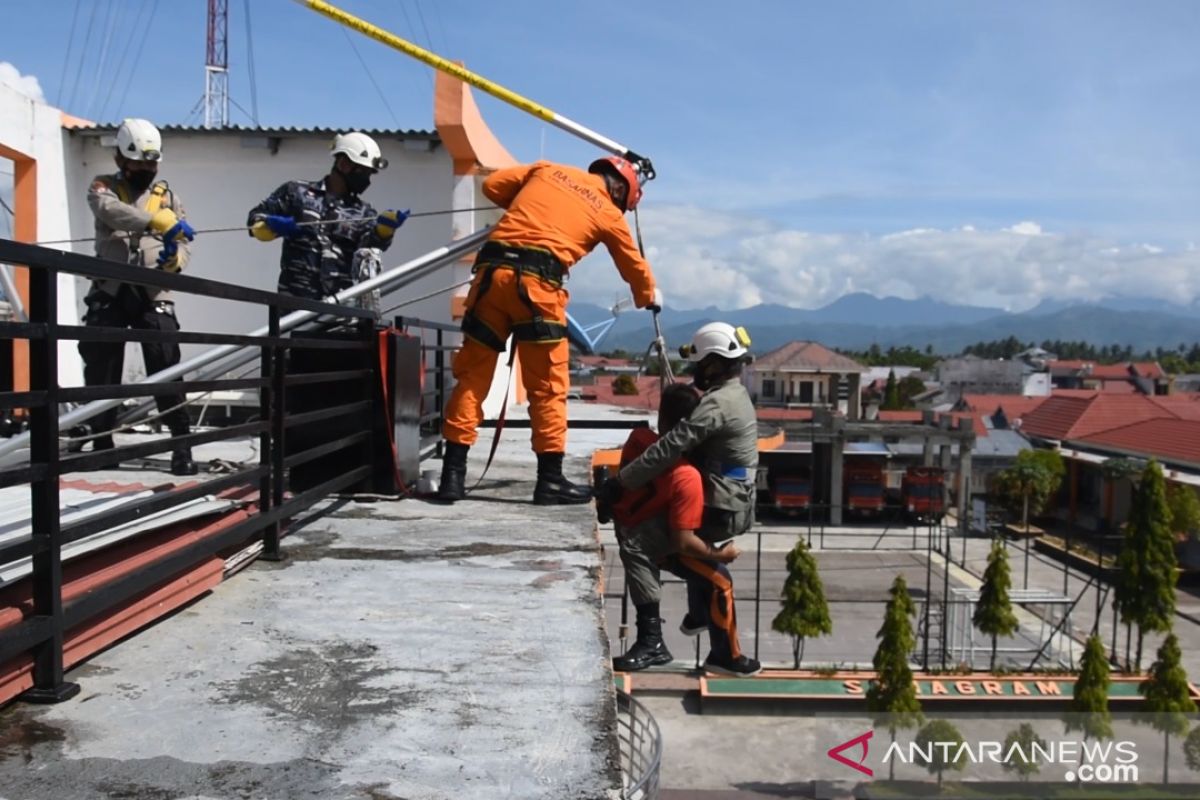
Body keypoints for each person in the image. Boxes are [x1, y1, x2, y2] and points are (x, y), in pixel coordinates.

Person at [437, 157, 662, 505]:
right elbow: (634, 267)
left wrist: (532, 207)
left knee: (472, 377)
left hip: (489, 279)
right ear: (619, 190)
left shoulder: (546, 169)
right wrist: (648, 297)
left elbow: (492, 186)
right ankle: (550, 481)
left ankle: (451, 478)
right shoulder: (608, 212)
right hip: (537, 288)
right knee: (547, 388)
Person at [605, 383, 761, 676]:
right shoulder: (687, 477)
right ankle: (724, 655)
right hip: (654, 547)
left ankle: (697, 617)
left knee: (703, 571)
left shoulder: (638, 440)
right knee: (720, 580)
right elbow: (684, 541)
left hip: (632, 527)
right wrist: (720, 553)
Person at [77, 118, 198, 475]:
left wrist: (174, 258)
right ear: (121, 160)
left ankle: (181, 445)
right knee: (102, 366)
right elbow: (108, 210)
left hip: (153, 290)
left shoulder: (169, 197)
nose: (147, 169)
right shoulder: (103, 187)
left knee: (166, 364)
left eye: (152, 163)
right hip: (109, 289)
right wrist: (154, 223)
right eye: (140, 163)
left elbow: (183, 242)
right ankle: (102, 443)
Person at [608, 321, 759, 543]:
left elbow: (670, 447)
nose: (695, 370)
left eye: (699, 364)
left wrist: (620, 483)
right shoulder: (738, 394)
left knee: (634, 541)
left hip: (720, 511)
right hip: (735, 505)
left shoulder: (717, 403)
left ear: (714, 365)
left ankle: (696, 555)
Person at [247, 131, 409, 300]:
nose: (367, 180)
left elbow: (369, 247)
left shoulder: (363, 212)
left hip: (339, 313)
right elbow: (255, 217)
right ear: (344, 164)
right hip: (294, 310)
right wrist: (266, 227)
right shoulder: (296, 193)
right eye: (363, 173)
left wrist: (384, 230)